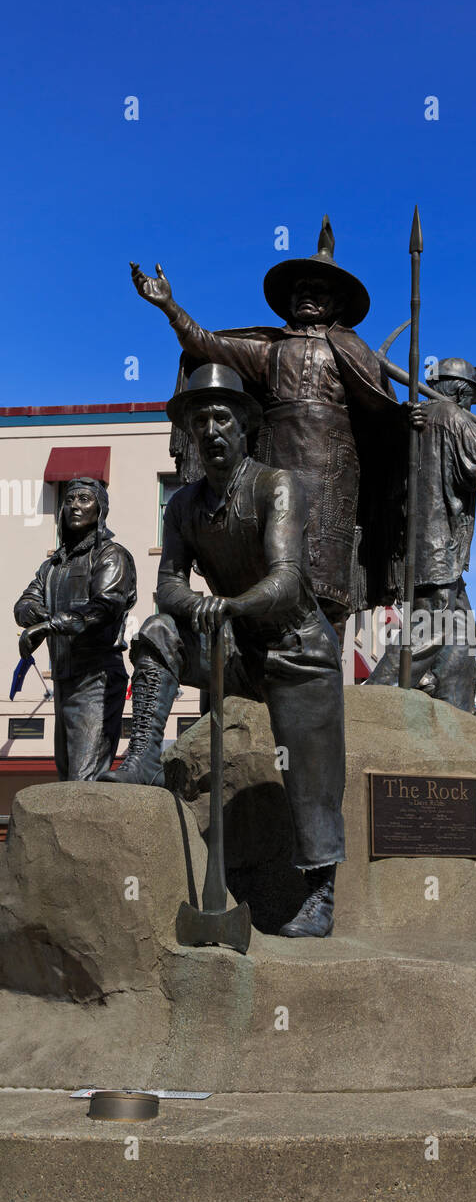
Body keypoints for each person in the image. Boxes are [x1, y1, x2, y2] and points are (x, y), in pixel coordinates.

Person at [102, 363, 345, 939]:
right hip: (234, 645)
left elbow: (287, 578)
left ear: (243, 429)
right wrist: (198, 609)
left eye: (222, 418)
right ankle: (142, 759)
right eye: (199, 421)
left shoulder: (275, 486)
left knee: (310, 774)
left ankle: (320, 894)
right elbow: (167, 584)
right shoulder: (183, 504)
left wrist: (231, 607)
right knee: (159, 630)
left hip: (296, 648)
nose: (210, 430)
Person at [130, 217, 407, 641]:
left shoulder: (357, 352)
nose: (308, 296)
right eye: (300, 290)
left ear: (337, 302)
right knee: (269, 571)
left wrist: (410, 422)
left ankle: (323, 678)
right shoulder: (270, 349)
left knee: (326, 586)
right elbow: (207, 344)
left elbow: (383, 412)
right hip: (277, 463)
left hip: (335, 477)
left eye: (319, 290)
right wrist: (170, 307)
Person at [366, 358, 476, 711]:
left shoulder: (415, 419)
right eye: (470, 399)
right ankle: (374, 698)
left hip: (434, 551)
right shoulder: (449, 416)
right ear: (461, 391)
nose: (469, 407)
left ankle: (457, 711)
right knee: (430, 628)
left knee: (461, 635)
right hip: (434, 546)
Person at [13, 477, 136, 780]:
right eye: (69, 500)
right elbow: (23, 605)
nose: (75, 506)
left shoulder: (110, 555)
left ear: (100, 509)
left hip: (96, 679)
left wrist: (49, 625)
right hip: (64, 680)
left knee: (83, 781)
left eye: (84, 499)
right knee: (68, 776)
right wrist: (42, 617)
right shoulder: (52, 566)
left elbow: (104, 607)